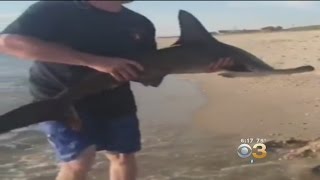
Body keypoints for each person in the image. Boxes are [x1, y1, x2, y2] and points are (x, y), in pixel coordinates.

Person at [0, 1, 233, 180]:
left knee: (123, 156)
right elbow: (7, 43)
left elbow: (150, 70)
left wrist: (200, 64)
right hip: (60, 96)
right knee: (79, 161)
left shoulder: (140, 23)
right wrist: (93, 61)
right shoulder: (56, 8)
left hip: (114, 96)